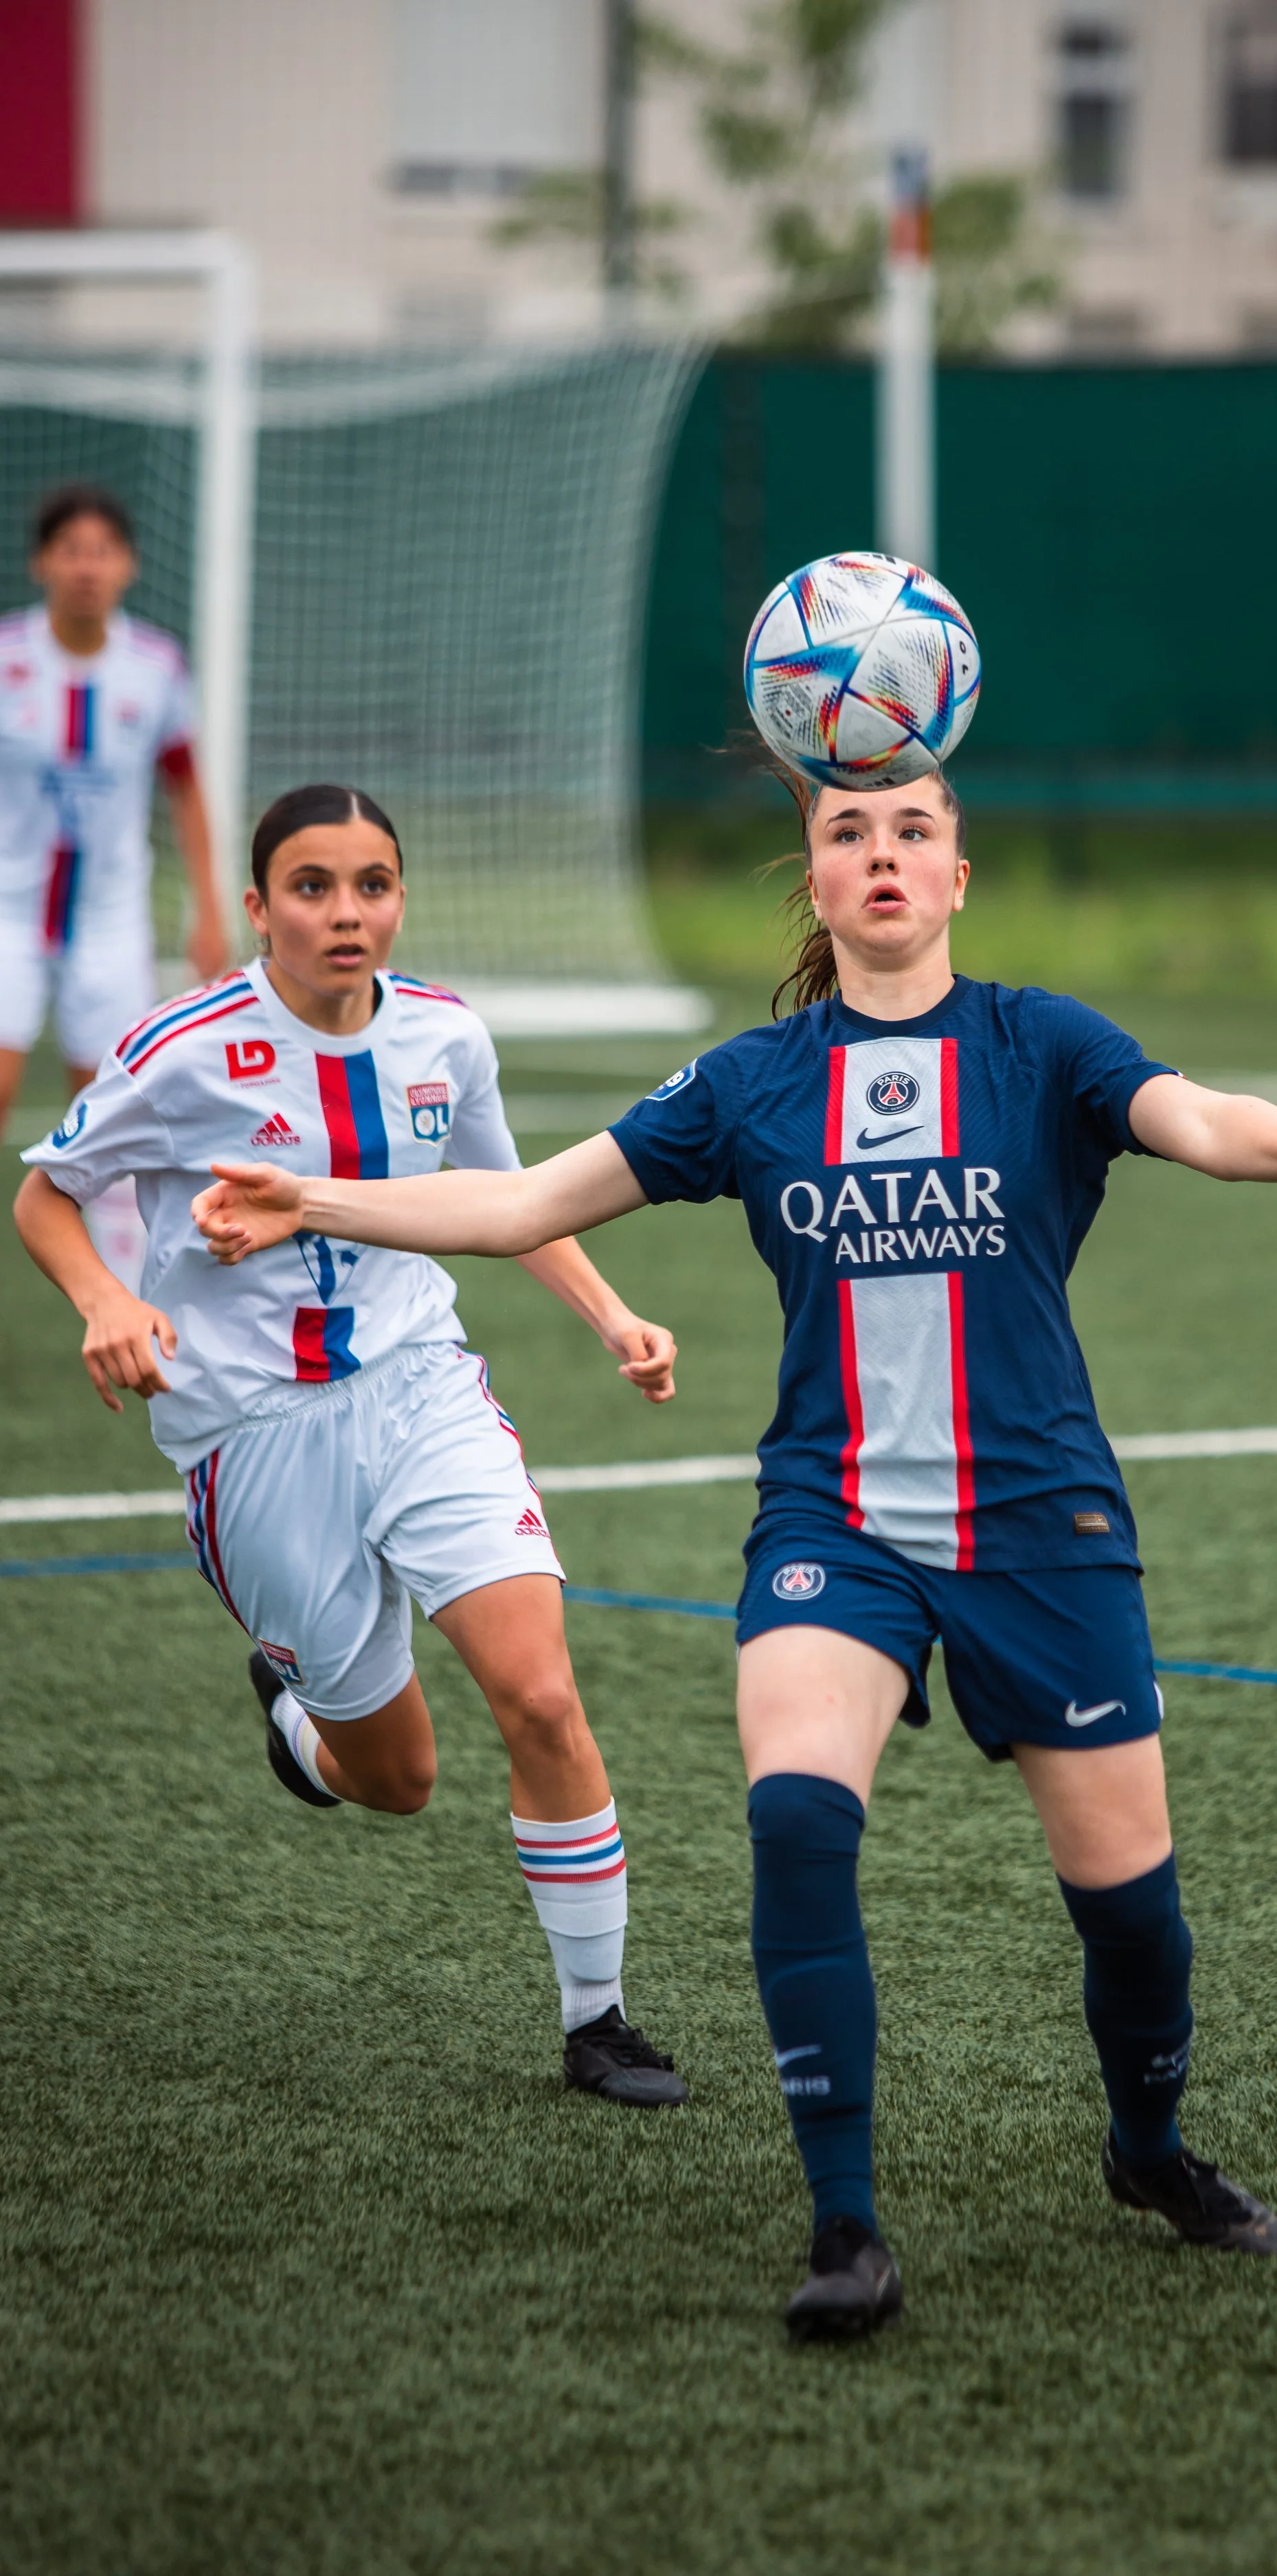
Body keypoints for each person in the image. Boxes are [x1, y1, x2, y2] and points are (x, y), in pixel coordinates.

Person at [185, 766, 1277, 2336]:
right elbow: (520, 1202)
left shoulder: (1039, 1041)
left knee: (1130, 1908)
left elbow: (1193, 1117)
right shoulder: (753, 1079)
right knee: (794, 1814)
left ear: (958, 875)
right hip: (832, 1518)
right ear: (820, 883)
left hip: (1042, 1525)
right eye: (850, 833)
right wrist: (312, 1191)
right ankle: (845, 2224)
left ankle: (1152, 2146)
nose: (884, 854)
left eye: (914, 830)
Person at [15, 782, 688, 2108]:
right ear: (259, 909)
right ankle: (303, 1734)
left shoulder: (446, 1037)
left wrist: (613, 1313)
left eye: (371, 885)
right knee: (398, 1779)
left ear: (398, 900)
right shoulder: (185, 1049)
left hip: (418, 1390)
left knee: (542, 1696)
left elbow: (508, 1201)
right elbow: (47, 1193)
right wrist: (108, 1299)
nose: (346, 913)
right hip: (250, 1437)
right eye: (312, 888)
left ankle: (598, 2019)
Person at [1, 483, 229, 1289]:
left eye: (102, 551)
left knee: (104, 1106)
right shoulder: (7, 658)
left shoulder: (156, 666)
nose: (87, 567)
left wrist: (207, 906)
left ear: (127, 565)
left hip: (108, 917)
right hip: (10, 911)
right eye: (71, 550)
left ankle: (128, 1284)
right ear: (42, 562)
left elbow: (186, 789)